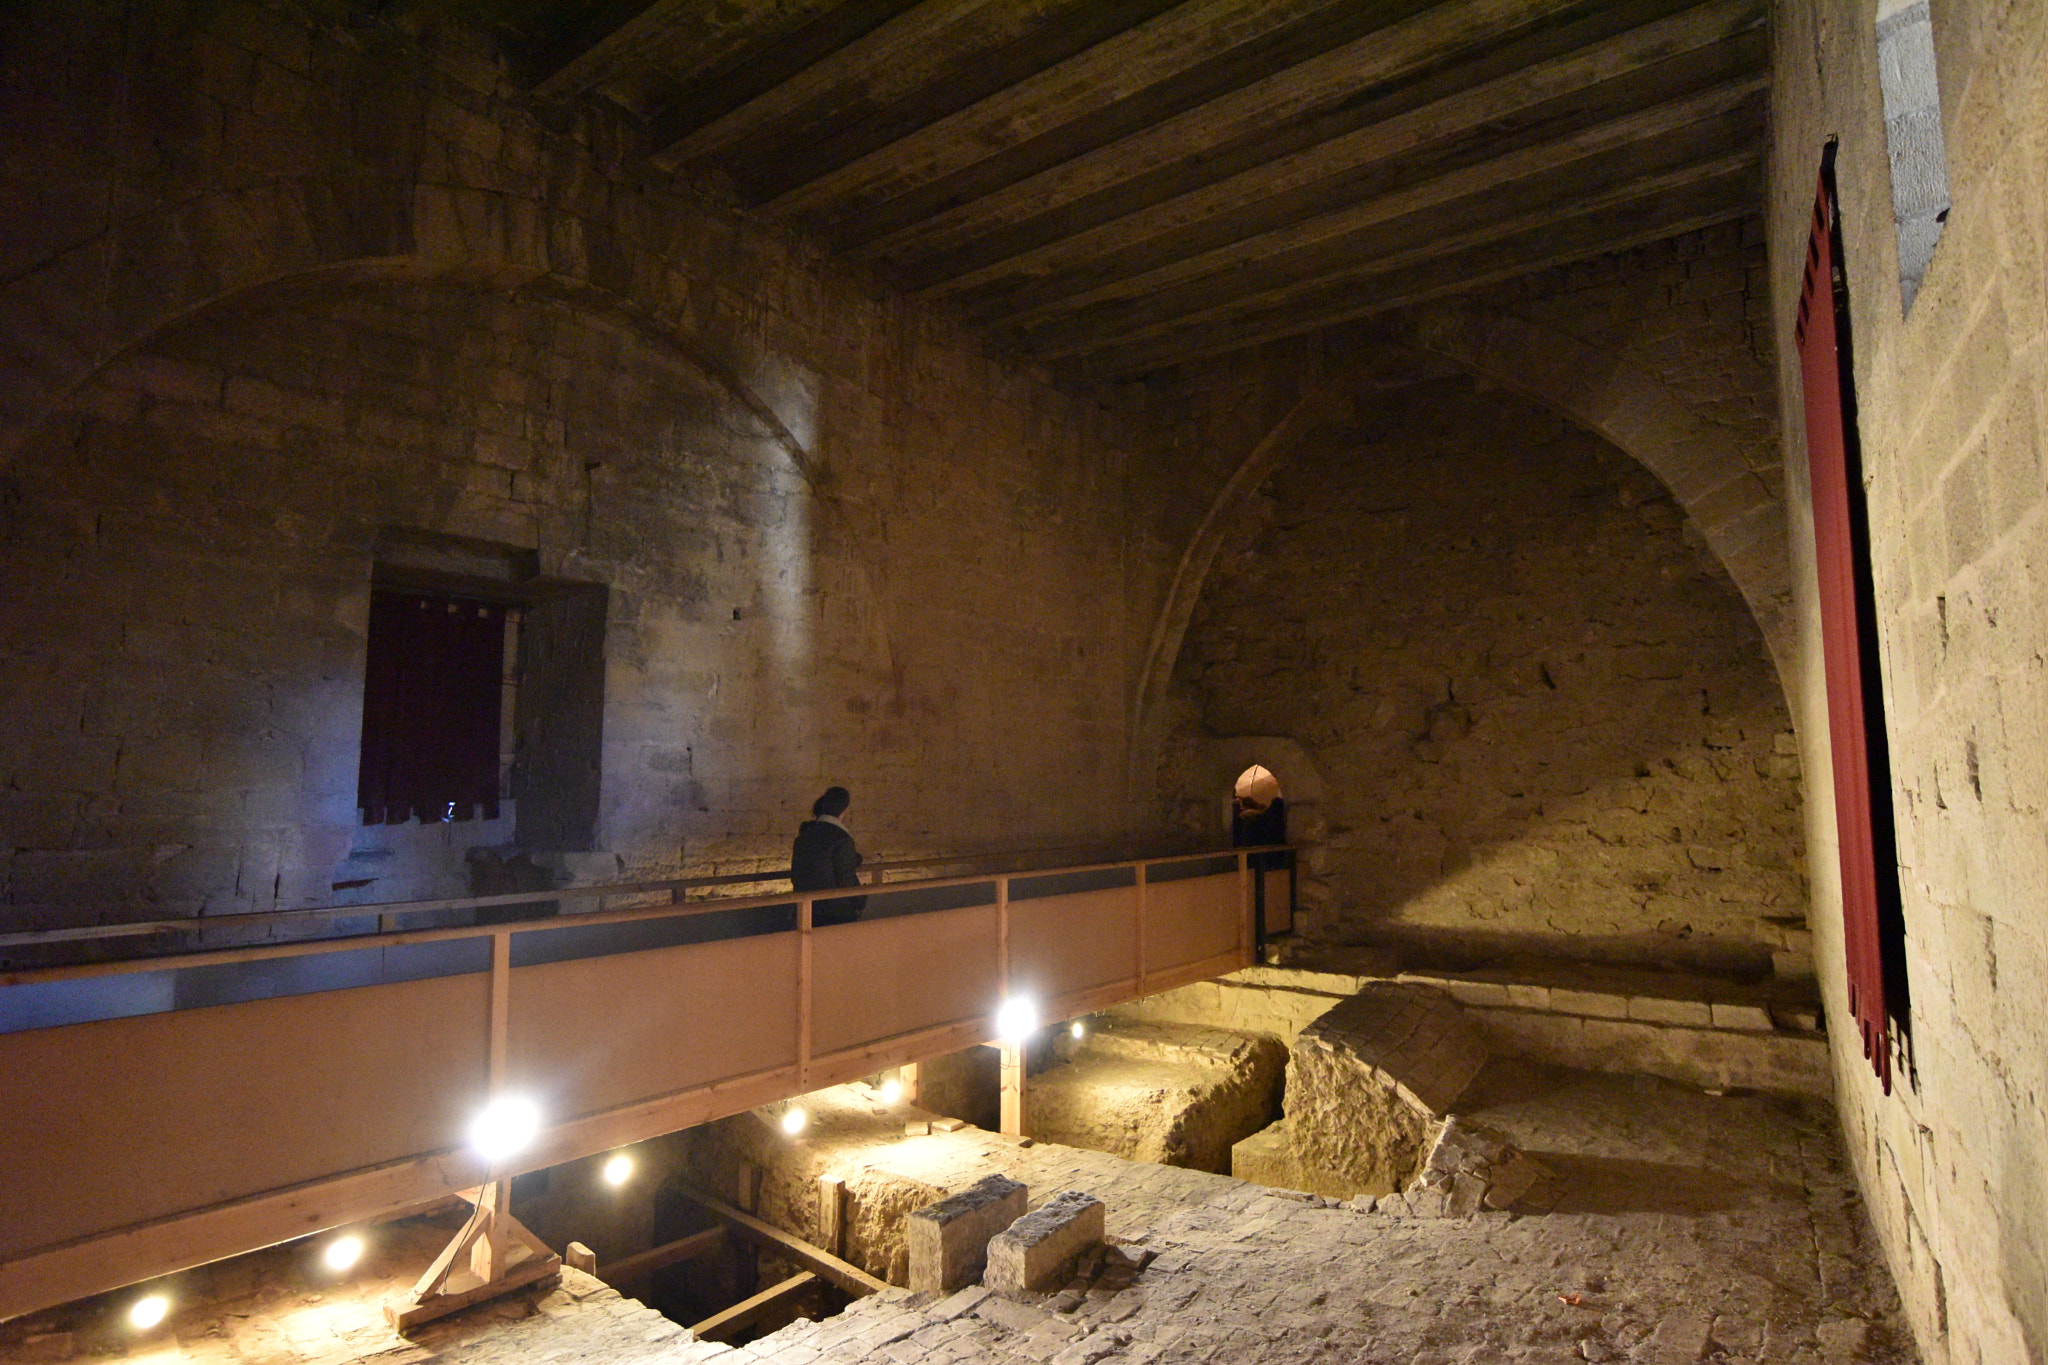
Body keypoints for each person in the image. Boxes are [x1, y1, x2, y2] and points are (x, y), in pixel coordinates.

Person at [791, 785, 865, 924]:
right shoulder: (841, 839)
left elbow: (819, 861)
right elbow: (845, 878)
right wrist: (860, 901)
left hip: (805, 909)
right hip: (834, 912)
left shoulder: (805, 836)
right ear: (845, 810)